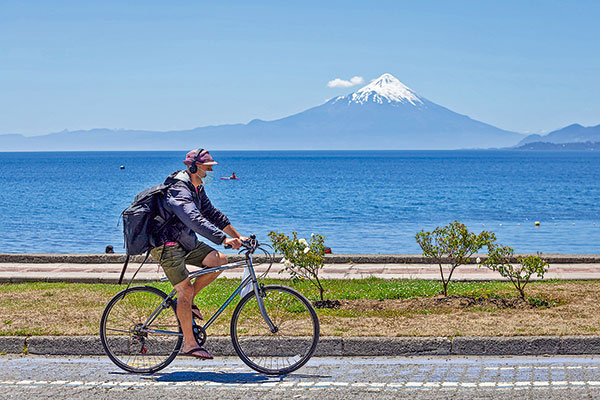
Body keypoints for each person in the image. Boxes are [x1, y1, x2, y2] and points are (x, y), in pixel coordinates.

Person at [150, 148, 247, 359]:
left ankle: (186, 304)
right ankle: (189, 344)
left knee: (218, 260)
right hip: (167, 245)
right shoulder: (178, 189)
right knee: (184, 291)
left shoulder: (197, 187)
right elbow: (193, 218)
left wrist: (239, 237)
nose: (210, 170)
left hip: (184, 241)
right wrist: (222, 239)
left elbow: (212, 214)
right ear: (194, 167)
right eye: (208, 167)